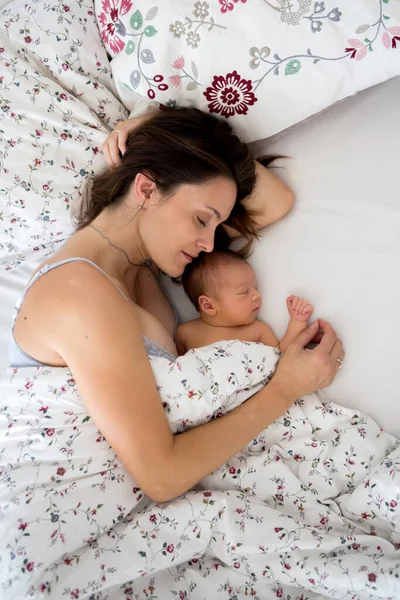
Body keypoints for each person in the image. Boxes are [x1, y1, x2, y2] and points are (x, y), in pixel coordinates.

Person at [9, 107, 344, 503]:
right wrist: (285, 389)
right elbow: (161, 477)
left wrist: (156, 123)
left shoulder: (141, 264)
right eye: (203, 220)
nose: (208, 243)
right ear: (147, 190)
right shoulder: (80, 291)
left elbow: (276, 200)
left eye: (216, 226)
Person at [176, 250, 314, 354]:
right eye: (244, 292)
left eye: (255, 288)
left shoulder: (258, 330)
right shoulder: (185, 333)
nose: (257, 295)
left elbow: (283, 357)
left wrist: (297, 322)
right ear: (208, 305)